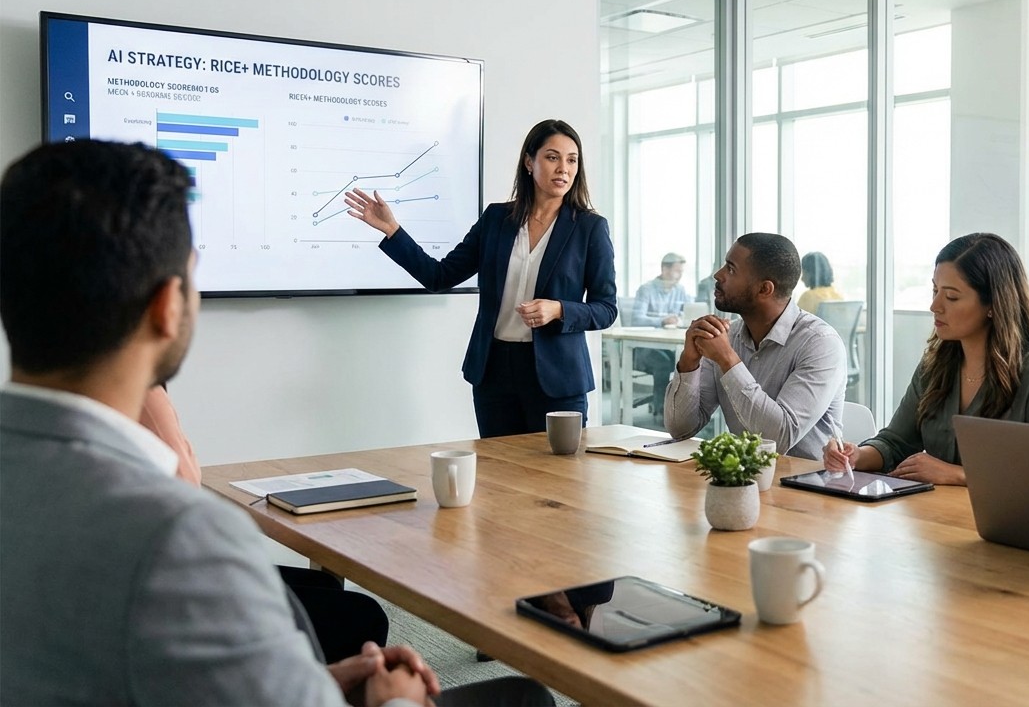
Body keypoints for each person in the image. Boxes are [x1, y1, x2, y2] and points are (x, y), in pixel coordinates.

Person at [0, 140, 552, 706]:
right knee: (524, 697)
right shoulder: (177, 535)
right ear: (167, 307)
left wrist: (324, 680)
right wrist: (395, 699)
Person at [346, 119, 617, 437]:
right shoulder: (496, 219)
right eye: (552, 157)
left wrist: (559, 309)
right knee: (497, 467)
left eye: (572, 160)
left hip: (558, 377)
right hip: (494, 372)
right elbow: (439, 276)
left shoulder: (589, 228)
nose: (563, 169)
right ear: (529, 162)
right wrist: (393, 231)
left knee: (558, 467)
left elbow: (606, 309)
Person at [143, 384, 391, 664]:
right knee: (364, 614)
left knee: (324, 583)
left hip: (167, 576)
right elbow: (185, 500)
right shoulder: (147, 398)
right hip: (180, 594)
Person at [823, 233, 1029, 485]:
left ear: (993, 304)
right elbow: (895, 443)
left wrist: (958, 474)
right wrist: (856, 455)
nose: (935, 306)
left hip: (1006, 514)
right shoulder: (934, 366)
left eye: (951, 297)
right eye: (935, 290)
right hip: (936, 510)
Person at [665, 233, 846, 460]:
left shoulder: (820, 343)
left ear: (764, 289)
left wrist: (728, 360)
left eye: (731, 269)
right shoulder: (728, 337)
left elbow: (779, 439)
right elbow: (681, 429)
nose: (718, 275)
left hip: (808, 478)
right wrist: (689, 362)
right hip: (744, 475)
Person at [632, 252, 692, 416]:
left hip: (669, 346)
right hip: (643, 348)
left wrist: (681, 319)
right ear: (664, 269)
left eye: (681, 272)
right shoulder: (646, 289)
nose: (680, 276)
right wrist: (662, 320)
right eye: (677, 271)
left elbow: (689, 312)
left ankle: (683, 409)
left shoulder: (680, 290)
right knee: (663, 363)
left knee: (687, 359)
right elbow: (637, 319)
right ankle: (663, 411)